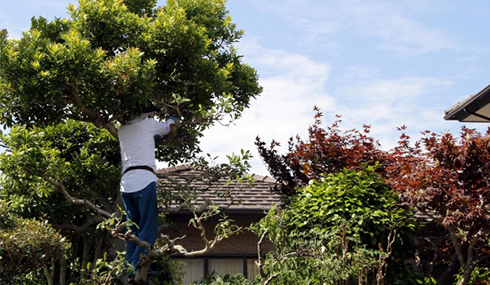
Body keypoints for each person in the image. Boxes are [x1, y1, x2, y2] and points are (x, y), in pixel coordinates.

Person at [118, 101, 178, 276]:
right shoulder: (149, 124)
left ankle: (131, 270)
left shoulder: (122, 129)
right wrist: (173, 118)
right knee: (148, 227)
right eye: (152, 113)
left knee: (133, 228)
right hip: (144, 180)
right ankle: (141, 265)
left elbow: (141, 140)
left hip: (126, 183)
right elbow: (167, 127)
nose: (153, 116)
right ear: (147, 114)